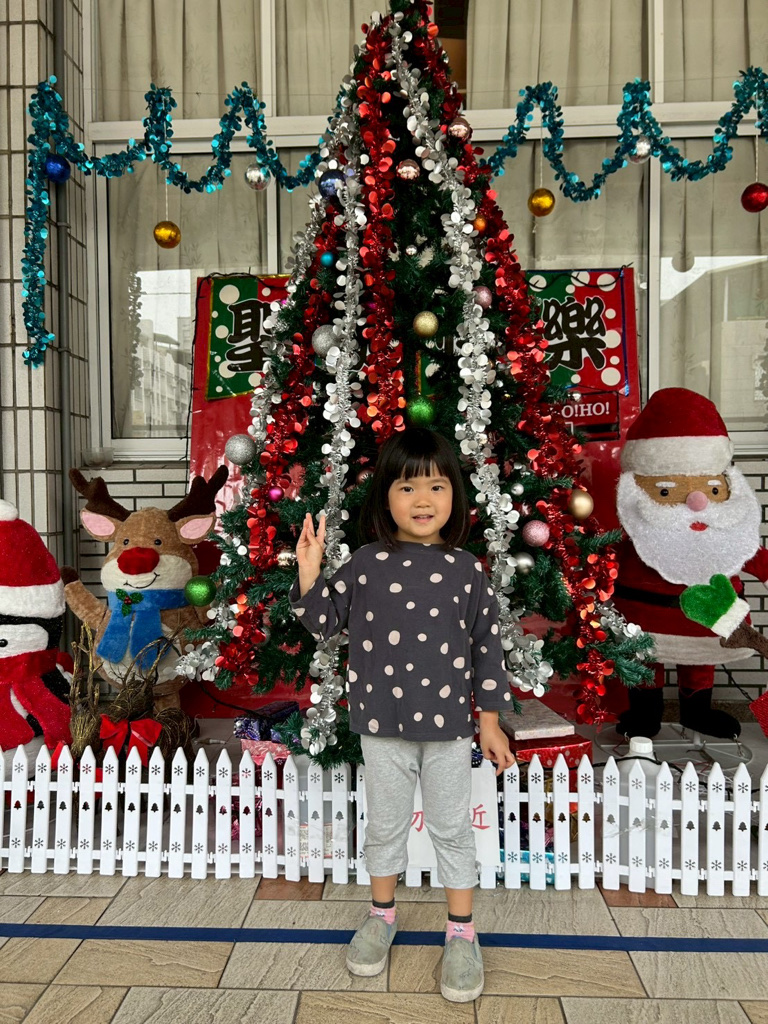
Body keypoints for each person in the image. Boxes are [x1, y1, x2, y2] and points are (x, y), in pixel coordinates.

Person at [290, 427, 515, 1004]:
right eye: (407, 487)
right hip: (381, 727)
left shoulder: (467, 570)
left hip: (448, 730)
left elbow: (487, 648)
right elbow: (322, 623)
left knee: (452, 829)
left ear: (454, 496)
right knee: (385, 826)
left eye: (437, 486)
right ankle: (381, 916)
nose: (422, 500)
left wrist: (490, 722)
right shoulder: (366, 564)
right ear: (385, 497)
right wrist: (311, 572)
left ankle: (461, 933)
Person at [612, 388, 768, 739]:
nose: (697, 502)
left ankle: (697, 713)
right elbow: (608, 559)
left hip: (707, 622)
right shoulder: (638, 533)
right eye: (667, 491)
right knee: (644, 661)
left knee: (700, 663)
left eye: (712, 490)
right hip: (644, 622)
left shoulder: (727, 534)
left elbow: (754, 556)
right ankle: (645, 716)